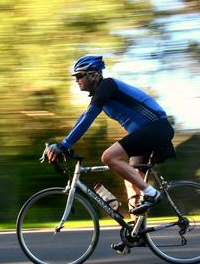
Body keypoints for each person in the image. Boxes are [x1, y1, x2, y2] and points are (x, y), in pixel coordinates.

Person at [44, 55, 175, 252]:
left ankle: (152, 193)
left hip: (156, 128)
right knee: (130, 178)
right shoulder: (101, 94)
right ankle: (137, 233)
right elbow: (84, 118)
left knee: (109, 157)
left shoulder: (108, 86)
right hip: (146, 133)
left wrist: (64, 145)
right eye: (75, 76)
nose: (76, 79)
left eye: (80, 75)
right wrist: (66, 145)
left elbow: (87, 118)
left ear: (94, 75)